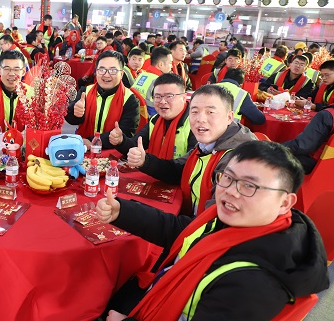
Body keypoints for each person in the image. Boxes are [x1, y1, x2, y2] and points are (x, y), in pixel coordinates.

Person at [97, 140, 329, 321]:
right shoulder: (242, 222)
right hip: (163, 291)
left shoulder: (254, 284)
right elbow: (181, 231)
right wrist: (122, 212)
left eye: (249, 185)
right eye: (227, 177)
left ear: (285, 203)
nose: (231, 191)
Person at [127, 84, 257, 216]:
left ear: (229, 117)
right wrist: (144, 161)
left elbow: (214, 220)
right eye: (194, 112)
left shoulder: (237, 161)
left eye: (210, 112)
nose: (200, 119)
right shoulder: (207, 145)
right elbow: (178, 170)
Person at [66, 51, 140, 150]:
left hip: (113, 152)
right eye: (102, 70)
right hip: (83, 148)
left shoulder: (130, 100)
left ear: (121, 74)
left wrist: (92, 141)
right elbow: (71, 120)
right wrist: (75, 113)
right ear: (96, 72)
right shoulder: (85, 92)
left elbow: (126, 132)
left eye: (112, 70)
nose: (106, 75)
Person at [112, 73, 196, 159]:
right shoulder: (155, 120)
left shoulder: (196, 124)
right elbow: (135, 147)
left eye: (169, 96)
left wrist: (147, 162)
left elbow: (188, 163)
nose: (162, 101)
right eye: (158, 96)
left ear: (183, 98)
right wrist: (121, 140)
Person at [283, 104, 334, 174]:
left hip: (316, 165)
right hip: (330, 166)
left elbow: (303, 146)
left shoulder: (327, 115)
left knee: (273, 156)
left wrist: (276, 147)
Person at [132, 47, 173, 116]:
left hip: (135, 116)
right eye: (170, 63)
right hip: (151, 119)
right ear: (160, 64)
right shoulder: (159, 82)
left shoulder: (141, 75)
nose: (172, 66)